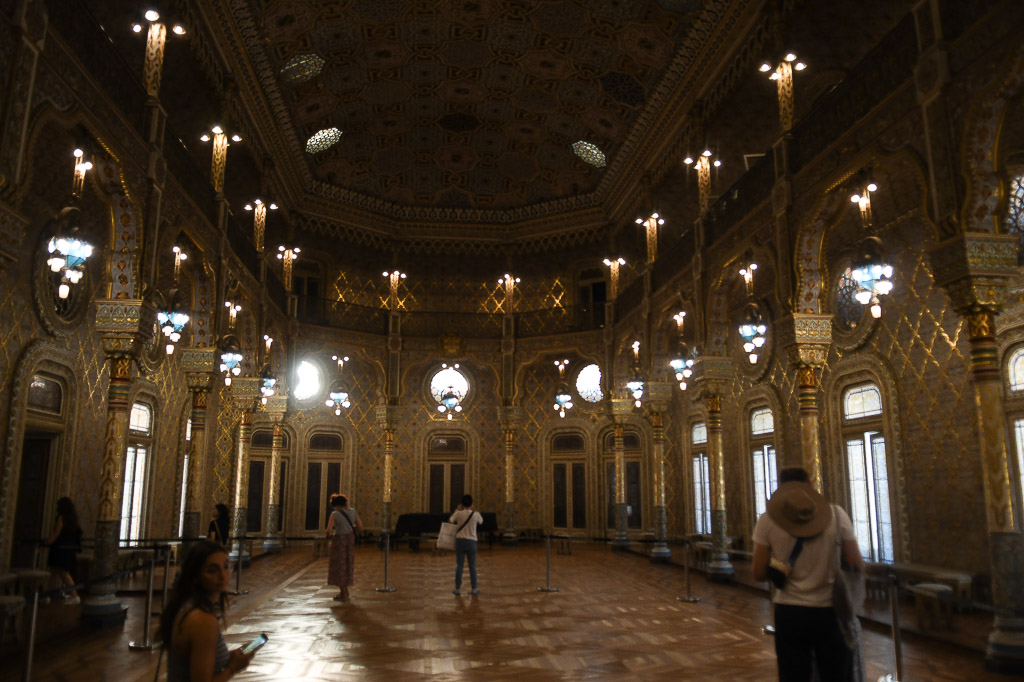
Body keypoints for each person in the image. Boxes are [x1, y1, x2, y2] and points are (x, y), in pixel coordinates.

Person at [752, 467, 865, 682]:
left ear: (781, 488)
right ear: (810, 485)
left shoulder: (767, 520)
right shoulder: (837, 515)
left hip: (789, 612)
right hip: (830, 611)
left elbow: (758, 573)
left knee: (794, 675)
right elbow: (858, 564)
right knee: (836, 674)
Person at [160, 540, 255, 681]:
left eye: (226, 567)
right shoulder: (202, 621)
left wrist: (227, 659)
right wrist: (232, 668)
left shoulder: (185, 607)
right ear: (195, 575)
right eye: (212, 570)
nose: (223, 576)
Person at [46, 497, 83, 604]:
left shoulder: (61, 518)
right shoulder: (73, 520)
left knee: (63, 573)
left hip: (60, 550)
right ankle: (49, 594)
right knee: (55, 572)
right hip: (68, 551)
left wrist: (48, 542)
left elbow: (56, 534)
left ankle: (74, 596)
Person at [326, 494, 361, 601]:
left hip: (339, 541)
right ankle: (344, 591)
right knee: (348, 564)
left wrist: (331, 536)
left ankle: (344, 592)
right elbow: (360, 526)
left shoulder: (334, 514)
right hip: (350, 540)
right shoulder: (353, 512)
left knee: (338, 565)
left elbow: (328, 530)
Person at [449, 494, 483, 596]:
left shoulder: (459, 513)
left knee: (459, 565)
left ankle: (457, 588)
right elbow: (481, 522)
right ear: (471, 503)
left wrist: (456, 509)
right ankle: (474, 588)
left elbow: (450, 520)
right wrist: (475, 509)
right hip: (472, 542)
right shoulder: (476, 514)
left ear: (462, 504)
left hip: (460, 541)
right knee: (472, 566)